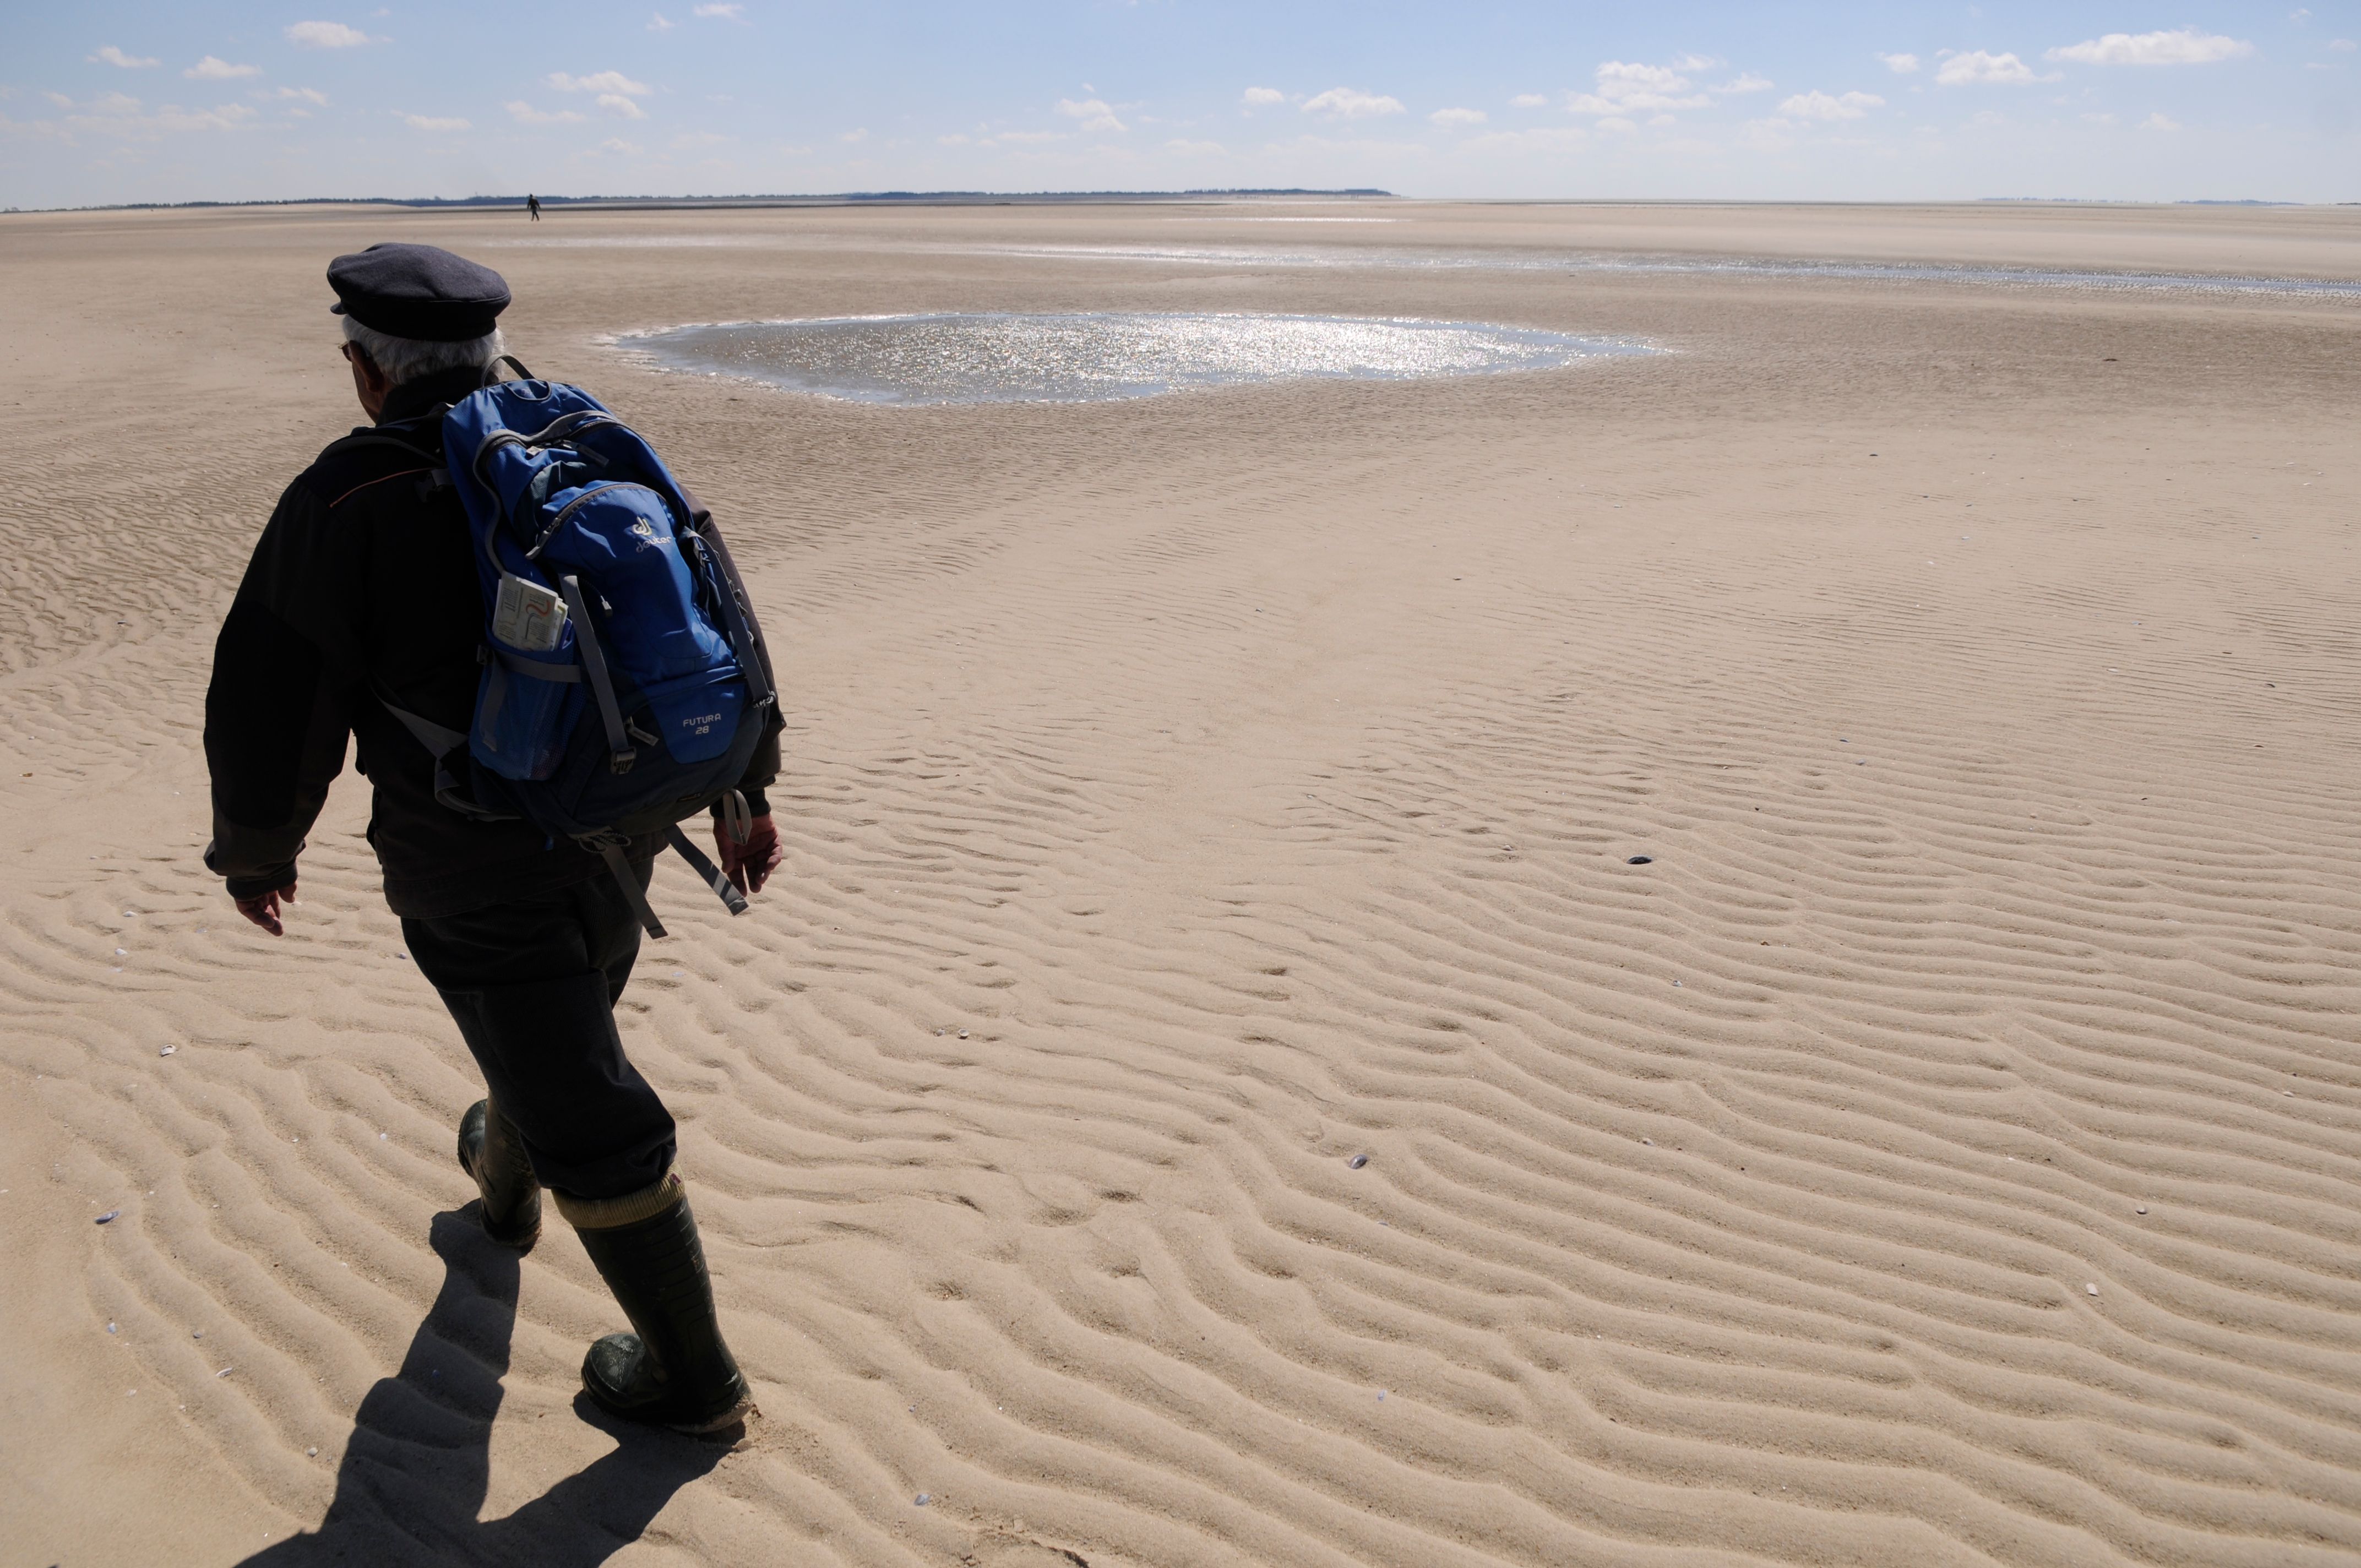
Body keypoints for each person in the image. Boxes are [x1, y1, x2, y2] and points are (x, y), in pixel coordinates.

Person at [204, 242, 781, 1434]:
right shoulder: (581, 448)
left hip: (465, 859)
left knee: (586, 1098)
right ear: (485, 351)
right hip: (625, 826)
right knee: (556, 1026)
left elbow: (272, 694)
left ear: (366, 370)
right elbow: (711, 618)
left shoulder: (347, 495)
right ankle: (504, 1194)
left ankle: (696, 1380)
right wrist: (744, 788)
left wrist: (258, 850)